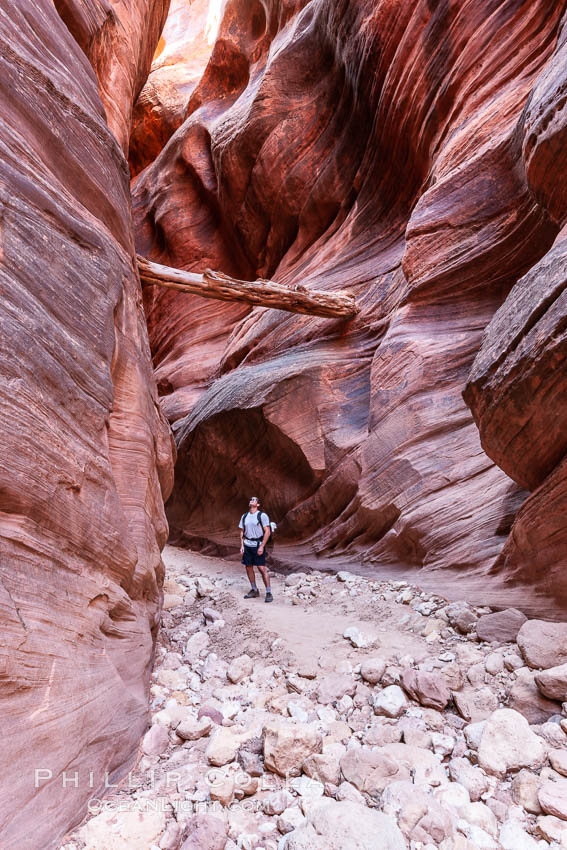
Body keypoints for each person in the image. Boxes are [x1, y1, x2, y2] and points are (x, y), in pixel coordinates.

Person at [239, 496, 273, 602]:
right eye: (251, 499)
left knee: (261, 568)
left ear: (258, 505)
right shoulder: (244, 516)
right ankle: (254, 590)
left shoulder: (262, 516)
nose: (251, 500)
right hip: (247, 544)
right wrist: (242, 545)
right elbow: (241, 531)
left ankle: (268, 592)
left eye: (254, 500)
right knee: (248, 567)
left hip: (258, 544)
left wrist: (262, 546)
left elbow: (267, 531)